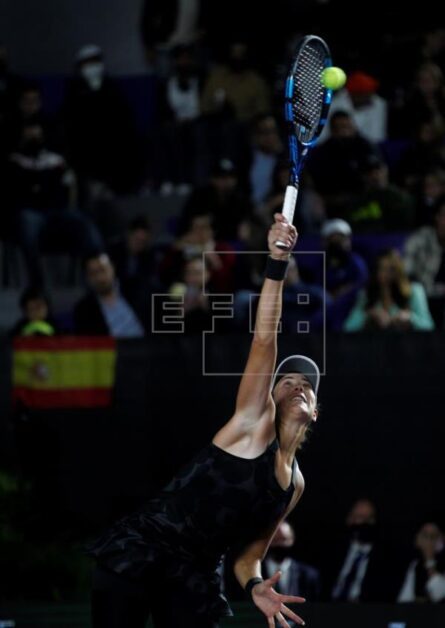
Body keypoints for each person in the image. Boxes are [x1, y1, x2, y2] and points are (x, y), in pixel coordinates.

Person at [87, 214, 319, 628]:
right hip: (145, 548)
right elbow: (265, 337)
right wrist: (276, 262)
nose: (298, 386)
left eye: (308, 384)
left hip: (196, 574)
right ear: (271, 393)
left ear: (315, 411)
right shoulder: (254, 420)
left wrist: (255, 586)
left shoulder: (295, 484)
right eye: (288, 380)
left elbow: (250, 555)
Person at [344, 249, 435, 332]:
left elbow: (428, 326)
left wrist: (410, 319)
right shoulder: (367, 295)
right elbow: (348, 327)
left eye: (391, 269)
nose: (386, 274)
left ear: (399, 271)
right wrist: (368, 316)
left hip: (408, 347)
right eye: (382, 269)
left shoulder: (415, 291)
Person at [73, 253, 146, 337]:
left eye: (103, 270)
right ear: (87, 278)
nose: (100, 278)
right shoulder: (83, 310)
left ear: (112, 268)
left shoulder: (137, 290)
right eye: (93, 273)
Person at [263, 520, 321, 602]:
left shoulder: (308, 575)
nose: (279, 544)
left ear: (292, 540)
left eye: (283, 539)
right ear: (267, 540)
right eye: (275, 540)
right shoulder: (252, 573)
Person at [397, 520, 445, 603]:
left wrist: (429, 559)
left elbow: (439, 594)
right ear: (417, 539)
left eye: (433, 536)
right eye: (425, 535)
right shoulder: (409, 565)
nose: (429, 540)